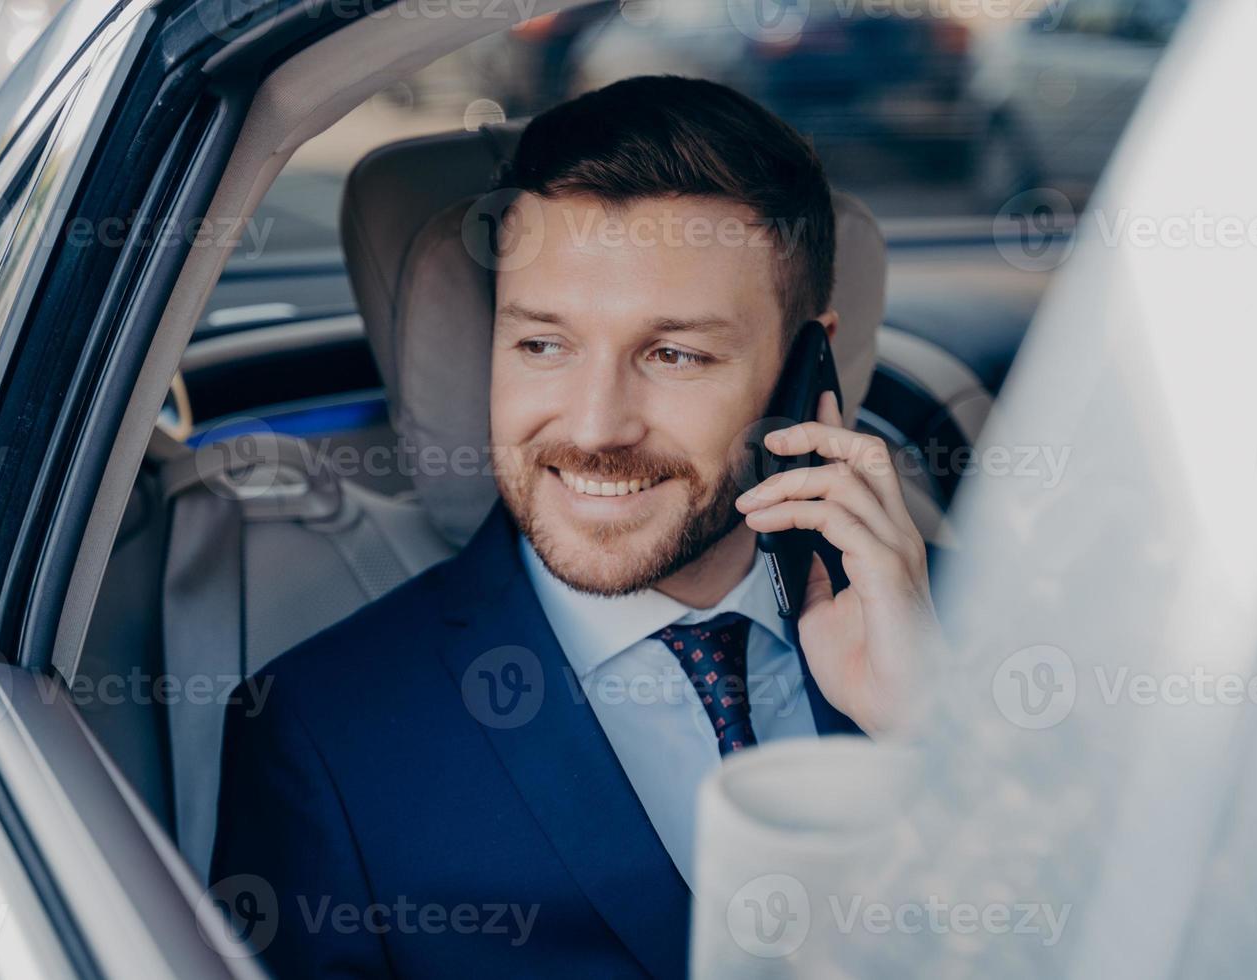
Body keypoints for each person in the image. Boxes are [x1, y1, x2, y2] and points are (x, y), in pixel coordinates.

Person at [211, 74, 942, 979]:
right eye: (543, 345)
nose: (595, 428)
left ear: (806, 366)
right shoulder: (323, 735)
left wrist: (936, 738)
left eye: (675, 354)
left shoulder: (973, 635)